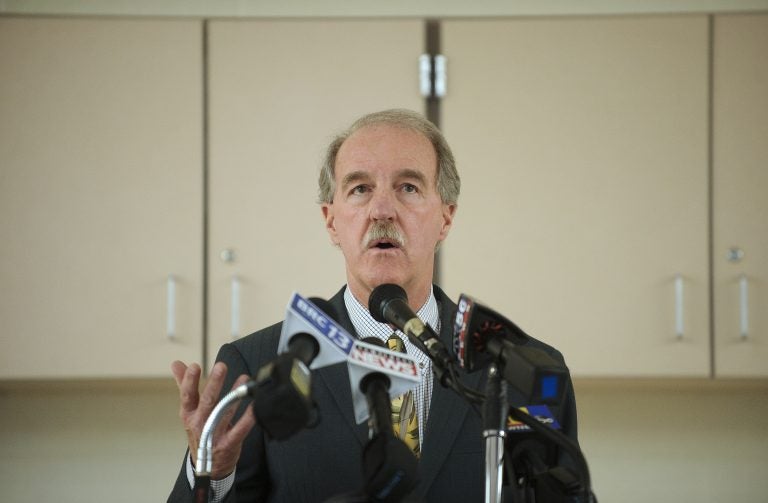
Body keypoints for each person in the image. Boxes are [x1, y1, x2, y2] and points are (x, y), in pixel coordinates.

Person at [168, 109, 580, 502]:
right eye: (360, 188)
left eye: (408, 187)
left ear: (446, 218)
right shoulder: (259, 365)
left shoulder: (527, 372)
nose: (382, 211)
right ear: (332, 220)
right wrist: (212, 471)